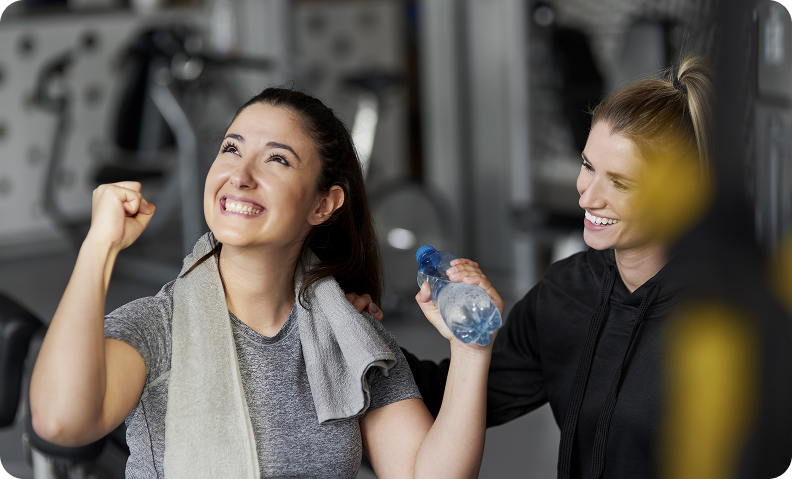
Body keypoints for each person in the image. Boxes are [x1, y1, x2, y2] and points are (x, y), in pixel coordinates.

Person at [29, 88, 497, 478]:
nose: (240, 175)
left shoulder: (349, 333)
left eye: (277, 159)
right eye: (231, 149)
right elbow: (60, 423)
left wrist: (470, 351)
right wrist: (99, 247)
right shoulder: (158, 328)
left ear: (323, 205)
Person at [357, 56, 722, 478]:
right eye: (588, 166)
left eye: (620, 182)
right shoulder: (568, 292)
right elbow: (452, 397)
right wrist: (362, 340)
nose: (587, 197)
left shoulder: (727, 317)